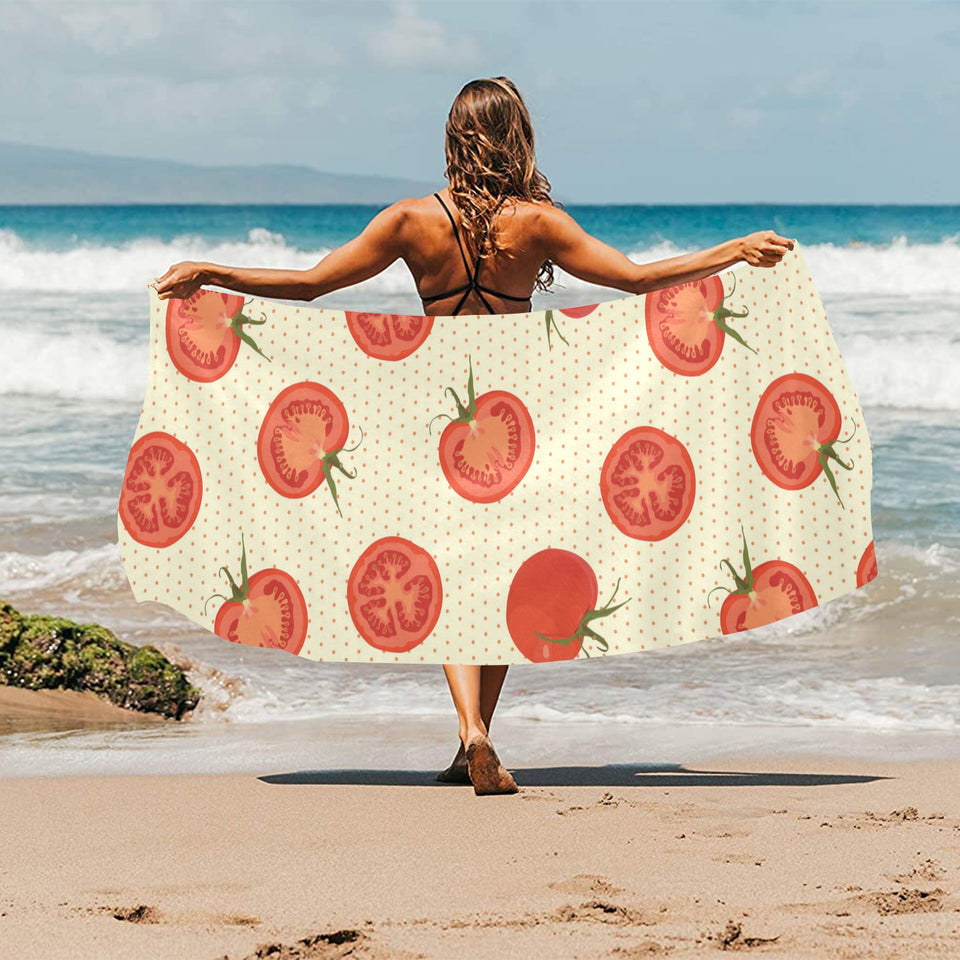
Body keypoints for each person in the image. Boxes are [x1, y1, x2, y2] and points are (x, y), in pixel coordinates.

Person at [153, 76, 794, 796]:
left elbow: (310, 286)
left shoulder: (407, 220)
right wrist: (733, 250)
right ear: (517, 136)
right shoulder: (539, 223)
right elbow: (638, 281)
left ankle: (471, 736)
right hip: (516, 419)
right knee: (498, 578)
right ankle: (477, 735)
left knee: (451, 576)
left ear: (456, 137)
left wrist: (212, 271)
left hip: (433, 413)